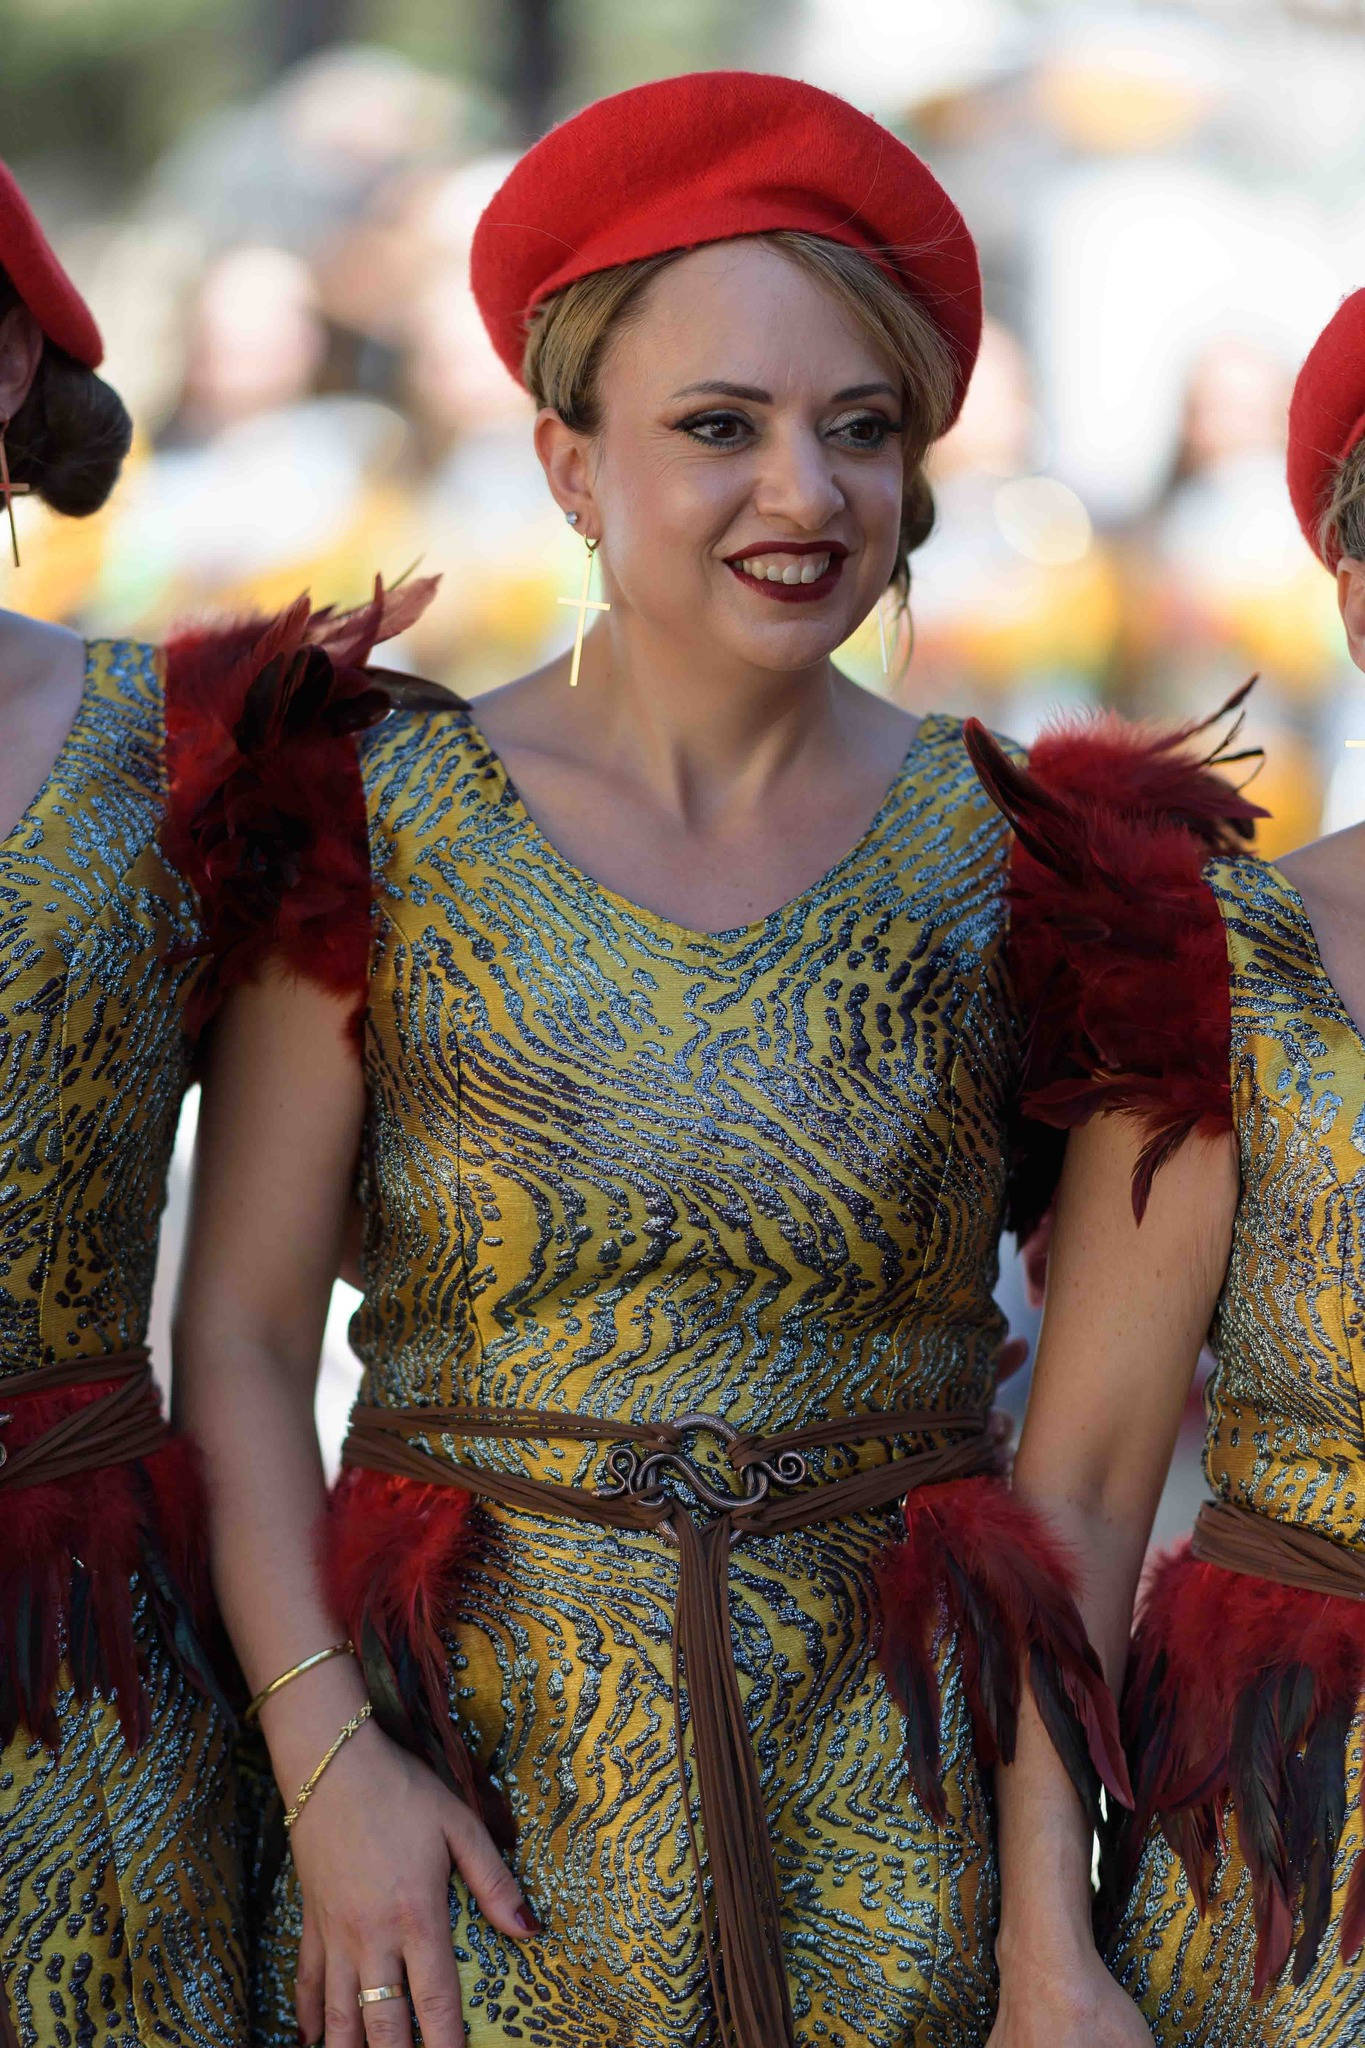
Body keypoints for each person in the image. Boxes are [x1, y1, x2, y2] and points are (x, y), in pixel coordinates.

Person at [170, 73, 1243, 2048]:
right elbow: (236, 1337)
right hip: (455, 1826)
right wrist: (329, 1774)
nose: (802, 493)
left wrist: (1041, 1934)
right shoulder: (363, 821)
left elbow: (1091, 1462)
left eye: (859, 428)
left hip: (902, 1825)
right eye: (717, 427)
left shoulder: (1038, 859)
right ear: (568, 463)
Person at [0, 158, 428, 2048]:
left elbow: (277, 1304)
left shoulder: (189, 759)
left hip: (90, 1688)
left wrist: (329, 1755)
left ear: (10, 361)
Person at [965, 290, 1365, 2046]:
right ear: (1353, 596)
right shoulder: (1227, 960)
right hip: (1291, 1873)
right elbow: (1081, 1487)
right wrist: (1044, 1954)